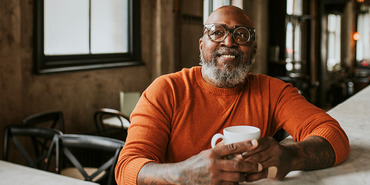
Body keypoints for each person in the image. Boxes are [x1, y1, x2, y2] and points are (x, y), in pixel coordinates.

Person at [115, 5, 350, 185]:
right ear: (201, 45)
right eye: (217, 33)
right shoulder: (166, 90)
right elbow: (126, 169)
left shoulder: (273, 92)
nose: (228, 42)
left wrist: (291, 156)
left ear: (253, 49)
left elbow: (334, 136)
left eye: (242, 35)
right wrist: (184, 173)